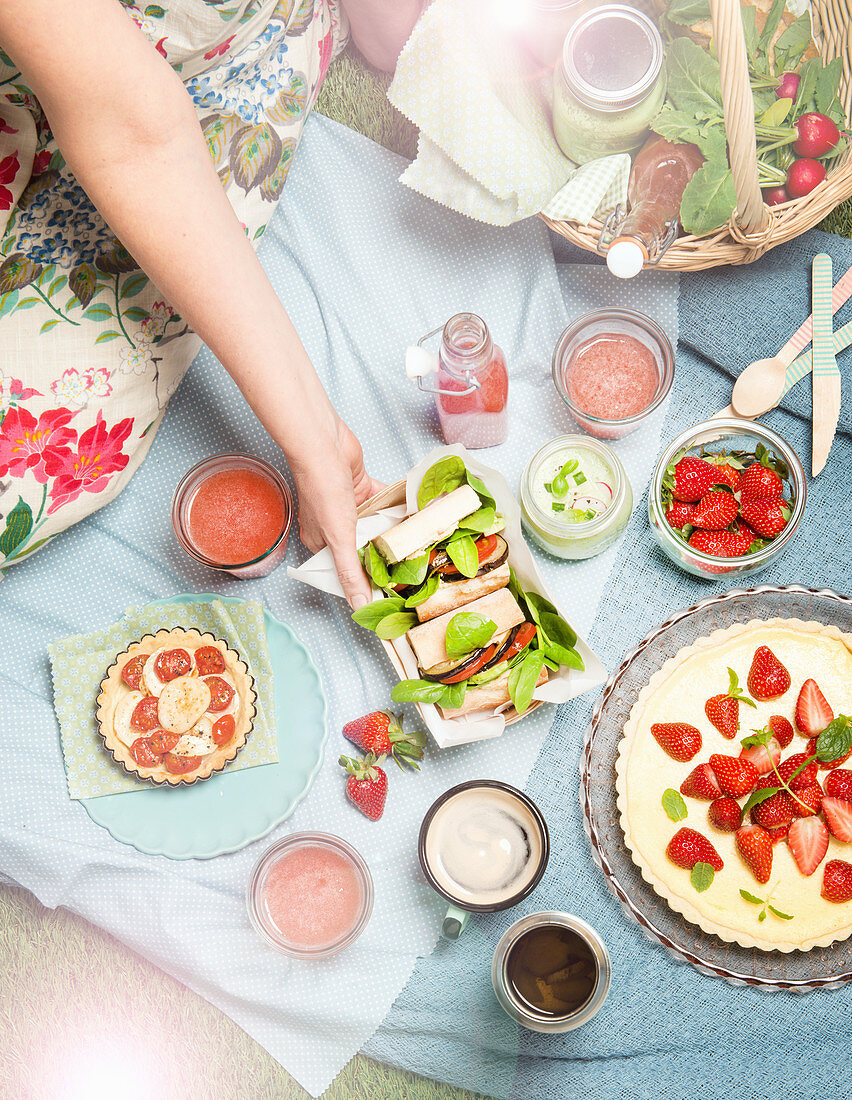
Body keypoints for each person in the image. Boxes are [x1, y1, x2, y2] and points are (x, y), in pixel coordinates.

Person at [0, 0, 422, 607]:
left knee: (24, 477)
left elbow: (137, 135)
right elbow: (127, 125)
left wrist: (317, 437)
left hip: (212, 51)